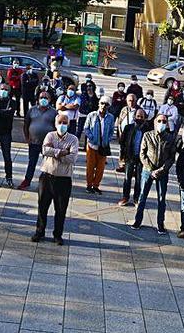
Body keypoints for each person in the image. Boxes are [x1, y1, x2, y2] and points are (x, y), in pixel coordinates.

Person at [33, 114, 79, 245]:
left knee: (61, 209)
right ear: (55, 123)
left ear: (68, 124)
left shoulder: (73, 139)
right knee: (42, 206)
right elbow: (44, 150)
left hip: (63, 179)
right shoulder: (50, 135)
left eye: (65, 122)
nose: (62, 125)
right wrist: (62, 152)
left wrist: (54, 152)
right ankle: (39, 231)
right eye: (60, 122)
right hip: (47, 176)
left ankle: (57, 235)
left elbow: (73, 158)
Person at [131, 113, 178, 233]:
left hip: (162, 172)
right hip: (148, 170)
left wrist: (161, 170)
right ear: (155, 122)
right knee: (142, 196)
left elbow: (171, 157)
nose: (161, 123)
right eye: (159, 121)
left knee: (161, 198)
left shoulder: (170, 138)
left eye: (164, 121)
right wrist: (151, 170)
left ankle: (160, 224)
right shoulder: (148, 135)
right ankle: (137, 220)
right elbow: (142, 153)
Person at [20, 92, 57, 191]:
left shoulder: (54, 112)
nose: (43, 99)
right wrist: (27, 138)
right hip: (33, 142)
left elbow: (57, 127)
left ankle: (46, 183)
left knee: (48, 163)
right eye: (41, 97)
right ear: (38, 99)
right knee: (32, 162)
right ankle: (27, 181)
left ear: (49, 100)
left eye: (46, 97)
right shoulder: (32, 110)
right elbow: (26, 124)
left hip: (48, 144)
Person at [82, 99, 116, 195]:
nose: (103, 106)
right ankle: (89, 185)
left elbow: (111, 130)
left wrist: (107, 140)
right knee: (90, 167)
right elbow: (86, 128)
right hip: (92, 145)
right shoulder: (92, 115)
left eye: (106, 104)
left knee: (100, 168)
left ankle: (96, 185)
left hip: (103, 147)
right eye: (102, 103)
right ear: (98, 104)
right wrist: (92, 138)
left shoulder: (110, 117)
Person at [118, 109, 150, 206]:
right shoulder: (128, 128)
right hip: (130, 157)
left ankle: (136, 199)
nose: (139, 118)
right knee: (127, 178)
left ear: (145, 118)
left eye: (141, 117)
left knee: (139, 179)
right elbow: (122, 142)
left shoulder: (148, 130)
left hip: (141, 159)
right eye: (138, 116)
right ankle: (125, 197)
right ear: (134, 116)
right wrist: (122, 157)